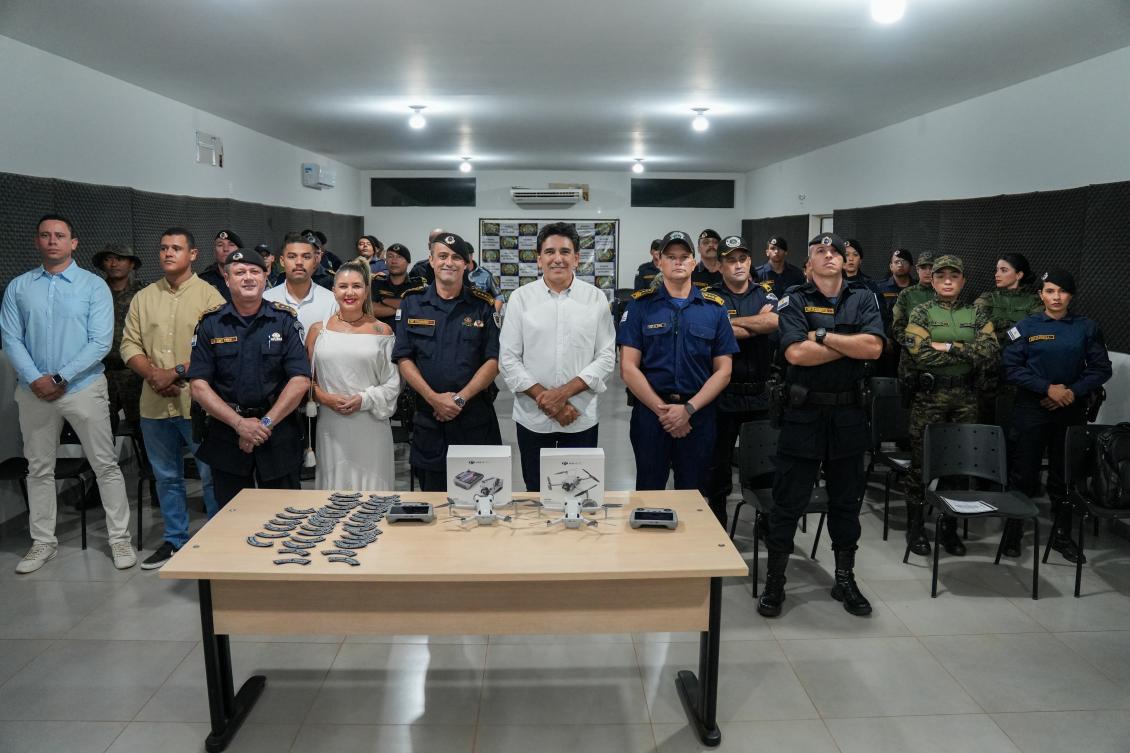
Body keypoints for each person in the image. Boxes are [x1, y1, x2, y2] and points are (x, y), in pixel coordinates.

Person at [757, 233, 884, 619]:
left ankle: (844, 578)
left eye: (836, 251)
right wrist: (849, 341)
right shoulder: (794, 299)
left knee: (847, 502)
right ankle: (775, 581)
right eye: (820, 252)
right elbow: (796, 352)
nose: (829, 256)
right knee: (787, 503)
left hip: (848, 416)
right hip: (803, 414)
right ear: (808, 265)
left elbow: (874, 349)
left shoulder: (864, 298)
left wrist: (824, 335)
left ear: (846, 260)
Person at [0, 215, 136, 573]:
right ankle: (43, 542)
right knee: (38, 468)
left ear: (73, 243)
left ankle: (119, 539)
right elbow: (11, 339)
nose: (52, 241)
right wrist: (35, 379)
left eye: (59, 236)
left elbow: (101, 341)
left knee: (105, 465)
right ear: (37, 242)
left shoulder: (93, 287)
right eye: (45, 235)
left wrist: (59, 376)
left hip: (82, 386)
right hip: (34, 392)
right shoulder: (19, 287)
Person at [120, 228, 225, 569]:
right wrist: (153, 374)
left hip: (195, 403)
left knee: (210, 473)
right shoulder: (144, 297)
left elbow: (217, 348)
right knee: (166, 476)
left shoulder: (210, 297)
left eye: (176, 248)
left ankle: (216, 537)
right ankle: (175, 538)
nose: (168, 253)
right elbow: (129, 345)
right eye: (164, 247)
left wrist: (176, 371)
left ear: (192, 254)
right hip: (153, 401)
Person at [1002, 269, 1112, 562]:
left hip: (1070, 410)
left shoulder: (1086, 327)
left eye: (1062, 291)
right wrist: (1047, 389)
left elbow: (1101, 369)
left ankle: (1061, 536)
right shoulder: (1025, 326)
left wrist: (1070, 392)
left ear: (1071, 295)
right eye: (1050, 291)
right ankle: (1012, 534)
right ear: (1040, 294)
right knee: (1023, 474)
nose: (1056, 297)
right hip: (1031, 409)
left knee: (1065, 477)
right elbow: (1011, 368)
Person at [499, 222, 617, 492]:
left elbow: (606, 357)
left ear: (576, 258)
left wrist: (562, 395)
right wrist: (548, 400)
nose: (557, 258)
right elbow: (508, 359)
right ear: (539, 259)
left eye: (565, 251)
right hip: (532, 419)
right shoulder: (520, 299)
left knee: (579, 492)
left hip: (579, 417)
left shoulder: (595, 299)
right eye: (549, 251)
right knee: (536, 494)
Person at [188, 249, 311, 506]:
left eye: (255, 271)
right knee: (231, 518)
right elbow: (199, 386)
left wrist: (263, 424)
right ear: (226, 278)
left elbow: (300, 380)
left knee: (284, 516)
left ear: (266, 277)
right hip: (227, 433)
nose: (248, 278)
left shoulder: (284, 320)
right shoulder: (211, 323)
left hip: (276, 432)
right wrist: (239, 424)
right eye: (239, 272)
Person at [617, 230, 737, 493]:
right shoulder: (639, 307)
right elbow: (628, 367)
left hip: (698, 414)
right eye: (671, 257)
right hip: (651, 414)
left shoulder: (715, 309)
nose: (678, 262)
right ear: (659, 261)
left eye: (684, 257)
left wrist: (688, 410)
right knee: (649, 492)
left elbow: (723, 371)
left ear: (694, 262)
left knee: (693, 494)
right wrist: (664, 411)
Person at [901, 255, 999, 557]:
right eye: (940, 275)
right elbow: (920, 354)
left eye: (953, 276)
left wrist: (948, 346)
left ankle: (949, 529)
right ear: (932, 279)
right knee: (920, 466)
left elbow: (991, 353)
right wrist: (966, 352)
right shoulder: (920, 312)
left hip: (965, 400)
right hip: (929, 398)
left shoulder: (977, 314)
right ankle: (915, 528)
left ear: (962, 281)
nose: (946, 280)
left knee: (958, 468)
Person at [392, 232, 502, 491]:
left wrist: (459, 399)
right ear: (431, 260)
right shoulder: (413, 303)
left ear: (467, 264)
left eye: (456, 257)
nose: (448, 262)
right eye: (442, 256)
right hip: (430, 419)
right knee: (434, 499)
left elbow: (493, 359)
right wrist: (434, 398)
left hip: (474, 419)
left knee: (483, 496)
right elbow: (404, 357)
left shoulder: (482, 306)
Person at [703, 235, 778, 527]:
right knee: (718, 465)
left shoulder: (767, 294)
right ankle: (717, 521)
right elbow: (715, 332)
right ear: (720, 264)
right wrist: (754, 324)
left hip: (760, 393)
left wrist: (730, 324)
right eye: (731, 260)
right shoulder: (709, 296)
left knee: (764, 465)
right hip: (723, 393)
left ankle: (765, 520)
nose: (738, 265)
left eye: (743, 259)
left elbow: (774, 322)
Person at [307, 260, 401, 491]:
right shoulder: (319, 331)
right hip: (331, 425)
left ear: (367, 291)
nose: (350, 292)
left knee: (373, 489)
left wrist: (363, 399)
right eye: (343, 286)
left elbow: (393, 383)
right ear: (334, 291)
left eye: (357, 286)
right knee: (333, 487)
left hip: (371, 423)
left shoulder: (382, 331)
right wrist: (324, 398)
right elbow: (306, 380)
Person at [974, 253, 1042, 426]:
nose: (997, 274)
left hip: (1019, 375)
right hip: (986, 373)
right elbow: (976, 327)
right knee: (983, 423)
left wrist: (998, 328)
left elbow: (1032, 333)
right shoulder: (988, 298)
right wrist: (1014, 330)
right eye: (997, 270)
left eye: (1003, 270)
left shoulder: (1035, 301)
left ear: (1019, 275)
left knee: (1014, 425)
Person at [94, 242, 145, 426]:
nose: (114, 264)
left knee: (143, 429)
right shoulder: (93, 291)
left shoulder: (145, 293)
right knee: (102, 430)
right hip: (100, 373)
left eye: (120, 258)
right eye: (108, 259)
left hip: (136, 374)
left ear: (131, 264)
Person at [263, 232, 339, 336]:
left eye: (306, 257)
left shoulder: (332, 301)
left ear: (315, 260)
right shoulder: (266, 299)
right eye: (292, 256)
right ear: (282, 261)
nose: (299, 262)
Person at [876, 248, 916, 377]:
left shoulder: (917, 289)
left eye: (904, 262)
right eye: (897, 262)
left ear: (910, 266)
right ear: (891, 266)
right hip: (888, 345)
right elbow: (876, 316)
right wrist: (883, 338)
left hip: (912, 345)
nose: (900, 264)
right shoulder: (880, 288)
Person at [372, 243, 424, 329]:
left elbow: (419, 310)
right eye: (390, 256)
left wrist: (385, 301)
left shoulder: (418, 284)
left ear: (408, 262)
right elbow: (372, 310)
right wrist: (406, 307)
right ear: (386, 261)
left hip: (410, 336)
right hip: (382, 336)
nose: (394, 261)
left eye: (399, 257)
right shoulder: (377, 282)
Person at [890, 251, 935, 346]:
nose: (927, 272)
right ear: (917, 269)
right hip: (912, 351)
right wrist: (914, 344)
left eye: (931, 268)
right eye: (923, 268)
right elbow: (897, 326)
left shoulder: (944, 294)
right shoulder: (906, 294)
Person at [199, 229, 242, 302]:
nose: (225, 249)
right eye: (220, 245)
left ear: (240, 251)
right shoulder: (204, 280)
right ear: (214, 252)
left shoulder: (250, 276)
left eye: (231, 245)